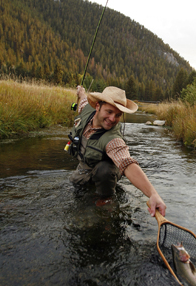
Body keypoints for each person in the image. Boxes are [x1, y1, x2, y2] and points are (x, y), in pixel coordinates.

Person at [68, 85, 166, 216]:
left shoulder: (113, 139)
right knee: (77, 190)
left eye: (118, 115)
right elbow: (83, 100)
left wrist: (153, 194)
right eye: (109, 112)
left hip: (106, 171)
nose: (112, 119)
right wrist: (81, 92)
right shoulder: (86, 110)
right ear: (97, 107)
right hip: (84, 168)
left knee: (104, 170)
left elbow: (127, 163)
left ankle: (106, 201)